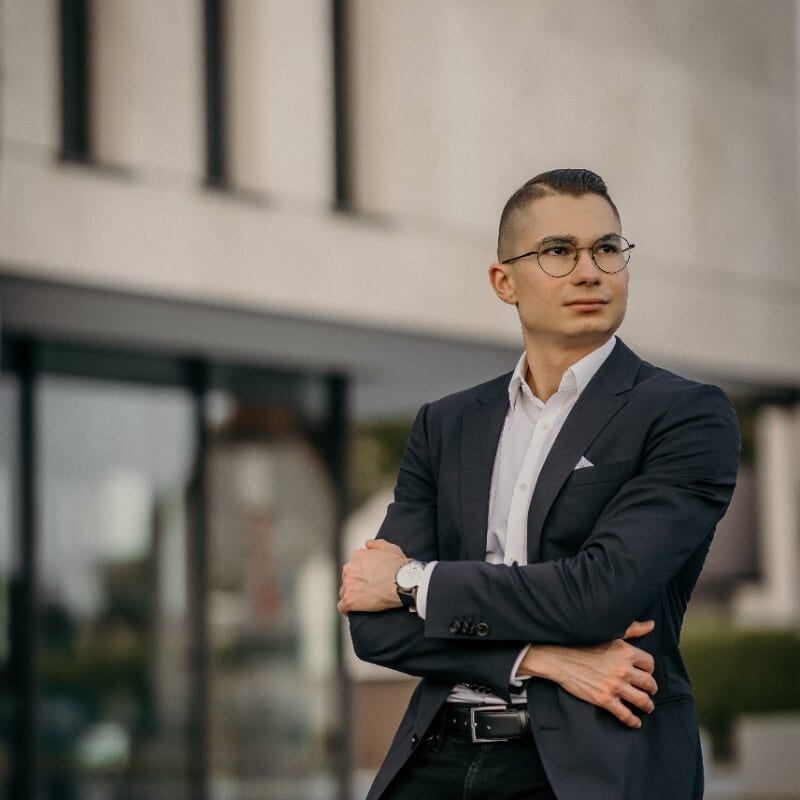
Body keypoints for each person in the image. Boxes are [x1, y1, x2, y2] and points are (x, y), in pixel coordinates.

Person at [338, 168, 739, 800]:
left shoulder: (686, 415)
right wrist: (543, 659)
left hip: (590, 765)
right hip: (435, 757)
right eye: (558, 251)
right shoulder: (447, 425)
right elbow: (373, 626)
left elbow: (596, 594)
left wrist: (414, 583)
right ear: (504, 281)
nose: (590, 271)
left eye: (607, 249)